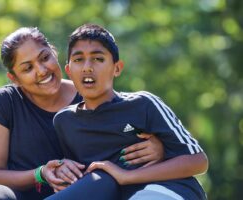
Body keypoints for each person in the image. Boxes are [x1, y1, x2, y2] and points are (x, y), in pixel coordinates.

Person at [0, 27, 165, 200]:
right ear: (15, 78)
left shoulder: (90, 93)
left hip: (84, 192)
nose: (41, 71)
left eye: (45, 57)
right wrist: (40, 173)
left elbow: (120, 148)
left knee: (103, 181)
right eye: (28, 68)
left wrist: (160, 150)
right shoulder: (3, 102)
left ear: (54, 53)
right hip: (18, 195)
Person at [46, 24, 208, 200]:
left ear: (117, 68)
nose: (87, 67)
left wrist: (126, 176)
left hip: (165, 190)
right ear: (68, 70)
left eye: (98, 59)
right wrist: (61, 170)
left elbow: (198, 161)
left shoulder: (143, 104)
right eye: (78, 60)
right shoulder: (64, 121)